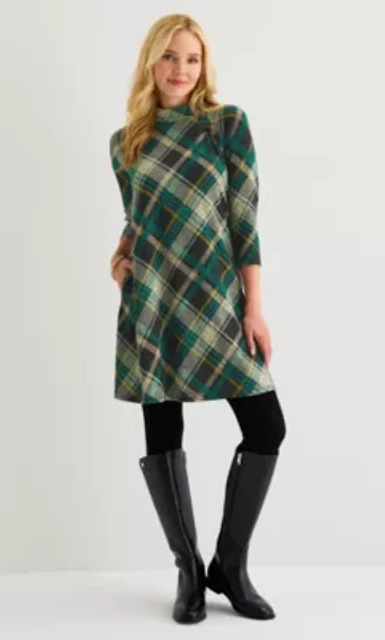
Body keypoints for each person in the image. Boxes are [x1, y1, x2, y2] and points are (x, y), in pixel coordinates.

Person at [107, 13, 287, 624]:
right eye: (169, 57)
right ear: (150, 62)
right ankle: (187, 571)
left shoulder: (225, 125)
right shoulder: (126, 142)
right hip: (154, 300)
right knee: (164, 432)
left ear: (203, 65)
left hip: (218, 299)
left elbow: (243, 220)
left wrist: (253, 307)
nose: (180, 69)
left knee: (267, 426)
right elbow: (137, 218)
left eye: (191, 58)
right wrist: (120, 255)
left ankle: (229, 565)